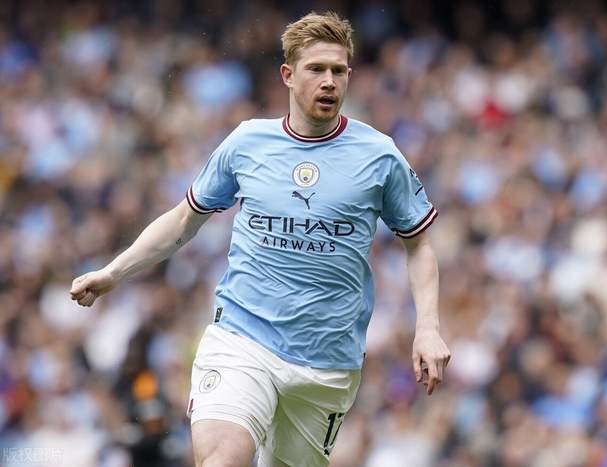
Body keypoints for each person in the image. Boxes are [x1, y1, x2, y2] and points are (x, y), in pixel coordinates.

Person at [70, 11, 451, 467]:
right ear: (288, 75)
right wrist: (114, 272)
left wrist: (427, 327)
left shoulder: (380, 155)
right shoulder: (247, 143)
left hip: (327, 363)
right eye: (316, 69)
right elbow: (184, 220)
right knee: (222, 458)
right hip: (242, 337)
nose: (329, 82)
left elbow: (418, 244)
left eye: (338, 70)